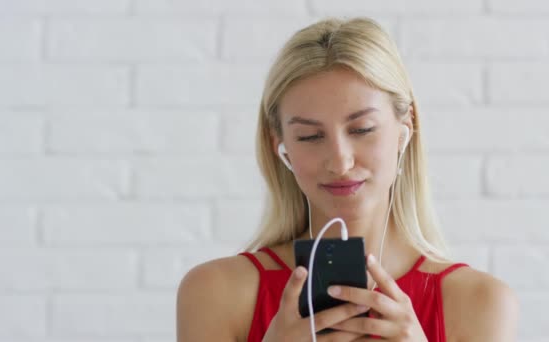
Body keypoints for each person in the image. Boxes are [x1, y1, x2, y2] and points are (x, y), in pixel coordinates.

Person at [177, 17, 518, 341]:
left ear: (404, 131)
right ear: (280, 147)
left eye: (362, 129)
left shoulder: (481, 302)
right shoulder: (215, 292)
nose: (340, 162)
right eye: (310, 136)